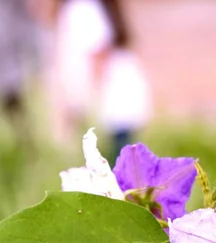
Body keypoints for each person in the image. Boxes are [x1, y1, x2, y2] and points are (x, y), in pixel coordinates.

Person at [54, 0, 151, 162]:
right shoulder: (94, 6)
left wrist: (85, 101)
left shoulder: (82, 8)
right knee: (122, 160)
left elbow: (98, 53)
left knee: (115, 167)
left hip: (112, 99)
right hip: (121, 97)